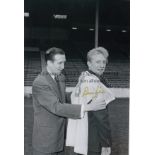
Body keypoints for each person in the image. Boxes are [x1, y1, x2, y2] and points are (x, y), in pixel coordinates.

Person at [32, 47, 107, 155]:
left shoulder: (60, 77)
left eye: (64, 63)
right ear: (49, 63)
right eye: (59, 63)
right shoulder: (40, 82)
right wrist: (86, 107)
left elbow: (64, 98)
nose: (63, 67)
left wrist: (80, 84)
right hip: (45, 139)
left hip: (60, 136)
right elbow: (56, 106)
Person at [66, 47, 115, 155]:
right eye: (97, 62)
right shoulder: (92, 82)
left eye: (104, 62)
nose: (102, 65)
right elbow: (101, 117)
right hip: (93, 137)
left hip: (83, 136)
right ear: (89, 64)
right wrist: (106, 143)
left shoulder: (85, 77)